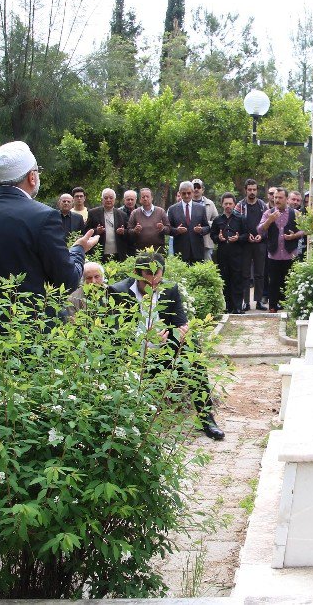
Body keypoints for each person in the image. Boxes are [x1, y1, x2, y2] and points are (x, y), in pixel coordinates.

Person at [109, 252, 225, 440]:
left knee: (192, 349)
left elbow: (180, 321)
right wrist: (145, 338)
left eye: (158, 278)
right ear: (136, 274)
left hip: (164, 350)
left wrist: (180, 333)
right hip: (133, 352)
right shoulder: (118, 291)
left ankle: (206, 418)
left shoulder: (170, 288)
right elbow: (114, 333)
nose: (153, 283)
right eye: (148, 279)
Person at [0, 141, 98, 298]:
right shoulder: (44, 216)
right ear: (32, 177)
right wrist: (79, 249)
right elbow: (67, 281)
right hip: (30, 320)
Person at [257, 187, 303, 312]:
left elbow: (305, 230)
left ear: (287, 199)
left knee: (290, 282)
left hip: (290, 253)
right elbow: (260, 230)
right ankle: (272, 307)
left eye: (280, 197)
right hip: (274, 254)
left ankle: (290, 308)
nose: (276, 199)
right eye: (275, 197)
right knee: (273, 282)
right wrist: (269, 220)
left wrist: (294, 236)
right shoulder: (268, 213)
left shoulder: (296, 213)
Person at [211, 192, 248, 314]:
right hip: (222, 254)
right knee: (225, 280)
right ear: (222, 204)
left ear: (234, 204)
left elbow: (246, 235)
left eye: (230, 203)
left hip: (237, 254)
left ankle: (238, 306)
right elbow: (213, 235)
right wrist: (219, 238)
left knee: (237, 280)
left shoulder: (241, 218)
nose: (228, 206)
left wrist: (238, 238)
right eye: (225, 203)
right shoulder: (217, 220)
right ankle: (228, 306)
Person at [237, 179, 267, 311]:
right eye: (250, 189)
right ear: (245, 190)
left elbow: (268, 225)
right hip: (245, 244)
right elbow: (236, 223)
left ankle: (259, 301)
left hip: (260, 243)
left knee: (260, 273)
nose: (252, 192)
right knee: (245, 274)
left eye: (254, 189)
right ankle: (246, 302)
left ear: (257, 190)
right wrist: (245, 236)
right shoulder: (240, 206)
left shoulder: (262, 205)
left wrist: (262, 235)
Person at [167, 181, 210, 264]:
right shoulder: (173, 209)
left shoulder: (201, 208)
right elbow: (168, 229)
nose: (186, 196)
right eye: (184, 193)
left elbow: (207, 227)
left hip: (197, 250)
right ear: (179, 193)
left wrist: (201, 230)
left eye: (189, 193)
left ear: (193, 192)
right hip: (180, 250)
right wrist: (176, 230)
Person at [86, 188, 129, 263]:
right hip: (99, 253)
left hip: (118, 253)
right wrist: (96, 231)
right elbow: (86, 230)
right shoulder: (93, 213)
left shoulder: (122, 214)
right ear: (102, 199)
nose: (108, 200)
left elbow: (128, 232)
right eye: (106, 198)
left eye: (111, 198)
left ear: (114, 200)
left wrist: (123, 232)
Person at [128, 187, 170, 253]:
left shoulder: (161, 211)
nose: (145, 199)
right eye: (143, 197)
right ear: (140, 200)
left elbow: (168, 229)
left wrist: (163, 228)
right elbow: (129, 231)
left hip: (158, 250)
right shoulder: (135, 213)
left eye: (147, 196)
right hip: (141, 251)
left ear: (152, 198)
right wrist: (135, 230)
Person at [192, 179, 218, 262]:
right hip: (190, 241)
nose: (196, 189)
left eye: (198, 187)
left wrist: (205, 226)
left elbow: (216, 220)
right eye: (194, 187)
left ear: (202, 189)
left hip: (206, 242)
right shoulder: (186, 204)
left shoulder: (210, 203)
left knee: (207, 266)